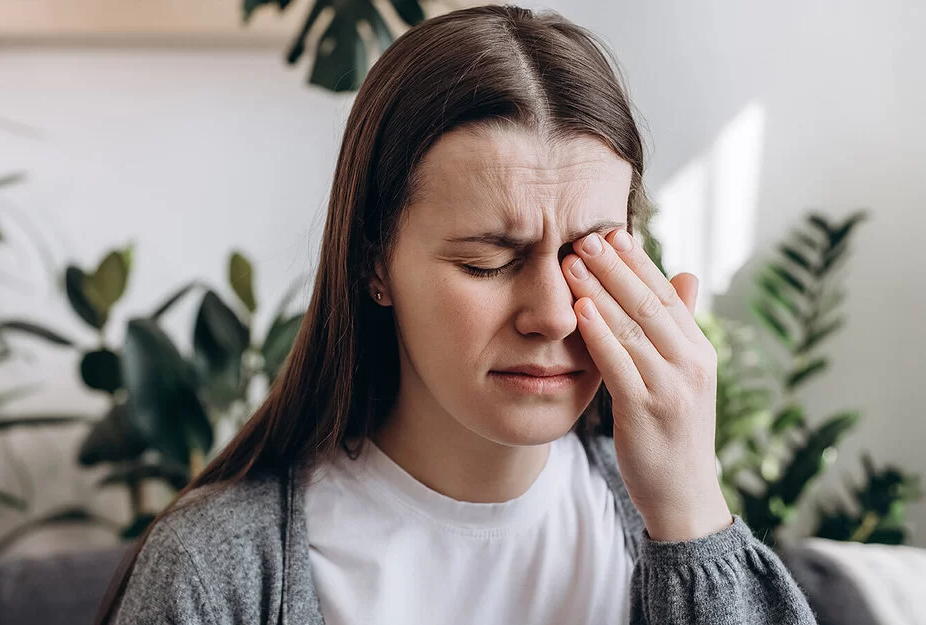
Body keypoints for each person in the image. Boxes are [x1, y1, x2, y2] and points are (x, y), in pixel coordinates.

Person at [98, 5, 817, 624]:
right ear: (374, 261)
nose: (553, 315)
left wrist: (692, 512)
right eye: (488, 262)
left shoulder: (670, 530)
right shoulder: (215, 566)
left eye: (586, 256)